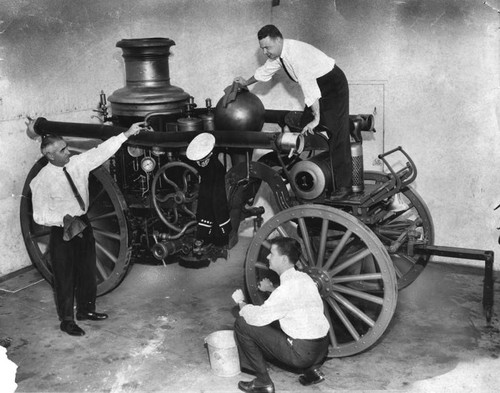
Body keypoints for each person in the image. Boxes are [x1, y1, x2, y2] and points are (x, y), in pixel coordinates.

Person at [29, 121, 145, 336]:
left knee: (87, 270)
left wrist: (126, 134)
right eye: (63, 150)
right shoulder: (41, 181)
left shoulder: (77, 163)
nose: (68, 151)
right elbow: (39, 215)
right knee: (64, 277)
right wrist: (63, 219)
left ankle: (85, 310)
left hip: (83, 224)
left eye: (66, 146)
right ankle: (66, 320)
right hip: (62, 231)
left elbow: (102, 151)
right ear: (50, 155)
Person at [234, 24, 352, 199]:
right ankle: (314, 167)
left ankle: (344, 187)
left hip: (333, 86)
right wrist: (246, 82)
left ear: (279, 39)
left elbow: (310, 88)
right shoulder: (280, 54)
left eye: (268, 47)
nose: (265, 52)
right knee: (304, 124)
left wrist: (317, 118)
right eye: (262, 48)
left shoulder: (296, 55)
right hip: (319, 86)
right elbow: (266, 71)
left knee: (337, 132)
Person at [231, 237, 330, 393]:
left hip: (302, 353)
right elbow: (295, 300)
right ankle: (313, 372)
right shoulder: (305, 278)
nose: (268, 257)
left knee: (243, 324)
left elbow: (257, 318)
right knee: (286, 319)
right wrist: (271, 289)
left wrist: (241, 303)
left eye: (271, 253)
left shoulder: (283, 291)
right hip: (322, 349)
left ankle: (263, 382)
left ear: (284, 259)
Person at [186, 133, 232, 252]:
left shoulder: (218, 163)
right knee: (206, 203)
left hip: (214, 188)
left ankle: (210, 236)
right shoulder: (205, 164)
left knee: (215, 204)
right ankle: (206, 236)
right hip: (206, 189)